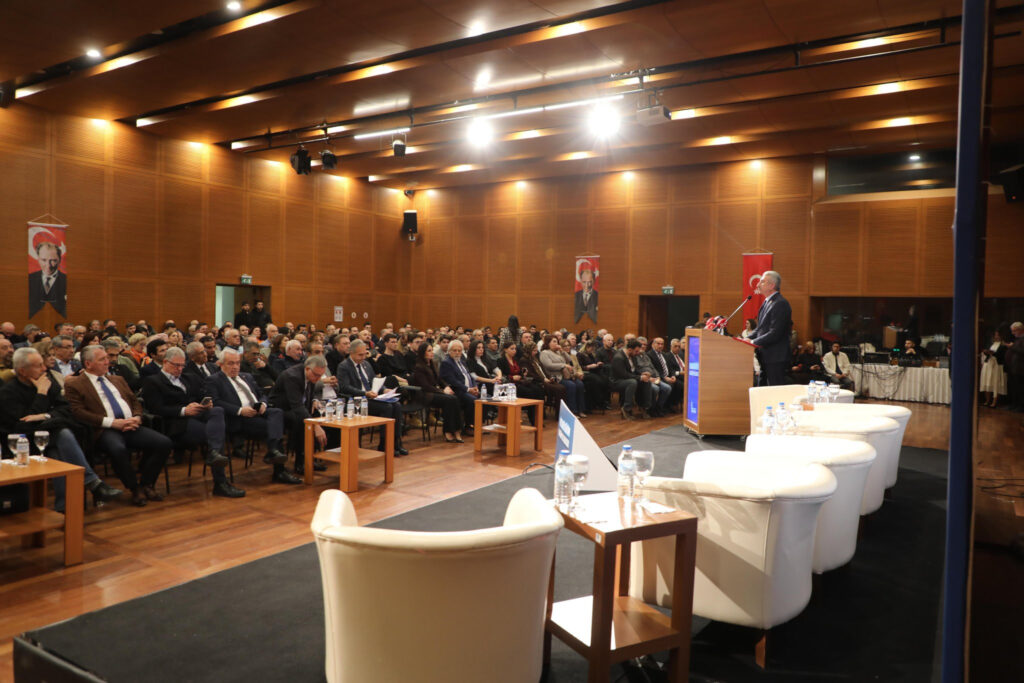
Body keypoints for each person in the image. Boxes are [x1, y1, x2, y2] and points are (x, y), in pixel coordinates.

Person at [0, 348, 123, 511]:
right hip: (21, 443)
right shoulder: (9, 392)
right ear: (22, 371)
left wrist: (44, 417)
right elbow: (23, 426)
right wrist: (42, 395)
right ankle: (92, 484)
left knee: (58, 451)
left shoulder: (47, 382)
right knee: (62, 435)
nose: (44, 369)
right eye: (38, 366)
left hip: (49, 439)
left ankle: (64, 506)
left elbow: (66, 410)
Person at [65, 345, 174, 507]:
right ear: (88, 364)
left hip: (130, 424)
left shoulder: (117, 379)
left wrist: (137, 417)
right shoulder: (76, 384)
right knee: (117, 449)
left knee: (163, 443)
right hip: (104, 429)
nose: (107, 362)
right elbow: (79, 413)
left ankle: (147, 483)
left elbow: (135, 401)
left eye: (107, 358)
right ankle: (134, 488)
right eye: (102, 359)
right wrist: (112, 423)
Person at [142, 347, 243, 498]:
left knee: (217, 411)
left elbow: (201, 395)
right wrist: (183, 410)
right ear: (165, 362)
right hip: (174, 423)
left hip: (196, 415)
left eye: (182, 365)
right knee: (215, 435)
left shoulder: (189, 378)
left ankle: (215, 457)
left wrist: (204, 404)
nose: (180, 369)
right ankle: (220, 482)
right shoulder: (153, 381)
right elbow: (155, 408)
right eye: (176, 365)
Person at [204, 349, 297, 484]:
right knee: (274, 428)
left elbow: (261, 393)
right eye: (230, 363)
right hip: (237, 418)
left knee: (276, 413)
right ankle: (277, 462)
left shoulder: (246, 376)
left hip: (256, 413)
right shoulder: (214, 380)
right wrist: (240, 410)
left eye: (237, 363)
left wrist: (263, 403)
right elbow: (216, 402)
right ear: (221, 364)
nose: (235, 367)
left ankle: (275, 457)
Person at [336, 340, 408, 455]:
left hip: (371, 397)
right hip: (357, 400)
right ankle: (384, 444)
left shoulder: (366, 364)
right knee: (387, 407)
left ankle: (396, 442)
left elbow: (375, 380)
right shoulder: (344, 366)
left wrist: (384, 389)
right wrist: (364, 393)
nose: (363, 357)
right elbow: (344, 387)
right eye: (360, 355)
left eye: (365, 354)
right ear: (352, 353)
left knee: (397, 405)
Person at [270, 355, 336, 475]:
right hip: (279, 410)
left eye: (321, 375)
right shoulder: (292, 376)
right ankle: (301, 463)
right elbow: (296, 406)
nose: (318, 378)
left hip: (296, 407)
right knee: (302, 421)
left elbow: (309, 396)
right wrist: (315, 425)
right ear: (307, 369)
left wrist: (314, 401)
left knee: (320, 414)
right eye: (316, 375)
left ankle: (310, 457)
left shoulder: (311, 376)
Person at [411, 343, 464, 442]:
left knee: (454, 398)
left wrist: (447, 387)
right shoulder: (419, 367)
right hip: (425, 395)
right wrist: (442, 391)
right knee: (449, 400)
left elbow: (440, 379)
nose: (432, 353)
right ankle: (448, 431)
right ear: (423, 353)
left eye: (432, 350)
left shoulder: (433, 363)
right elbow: (425, 386)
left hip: (435, 392)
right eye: (429, 351)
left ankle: (457, 430)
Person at [749, 270, 793, 386]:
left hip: (775, 357)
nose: (758, 284)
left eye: (762, 282)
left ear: (771, 285)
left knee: (775, 391)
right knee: (762, 389)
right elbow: (760, 329)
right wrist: (745, 339)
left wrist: (753, 341)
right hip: (765, 356)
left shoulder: (780, 303)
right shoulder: (767, 302)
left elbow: (775, 332)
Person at [438, 340, 481, 436]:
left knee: (485, 399)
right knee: (473, 401)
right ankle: (468, 427)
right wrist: (468, 389)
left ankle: (477, 425)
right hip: (458, 391)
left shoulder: (462, 361)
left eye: (459, 350)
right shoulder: (447, 363)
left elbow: (469, 376)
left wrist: (474, 386)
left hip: (469, 389)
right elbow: (453, 381)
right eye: (455, 350)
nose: (457, 353)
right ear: (449, 351)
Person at [539, 335, 586, 417]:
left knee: (580, 384)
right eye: (553, 341)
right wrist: (563, 365)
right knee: (571, 386)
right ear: (548, 343)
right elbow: (549, 365)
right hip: (556, 376)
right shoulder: (544, 353)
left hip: (567, 375)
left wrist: (563, 351)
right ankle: (572, 411)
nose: (556, 343)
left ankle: (580, 410)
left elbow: (569, 360)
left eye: (557, 341)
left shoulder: (558, 352)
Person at [611, 339, 650, 419]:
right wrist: (640, 377)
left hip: (629, 378)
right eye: (636, 351)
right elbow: (623, 374)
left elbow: (634, 370)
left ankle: (644, 407)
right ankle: (626, 408)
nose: (638, 353)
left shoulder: (633, 356)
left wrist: (642, 374)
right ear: (629, 349)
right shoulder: (619, 357)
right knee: (632, 382)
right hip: (617, 381)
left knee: (646, 381)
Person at [28, 241, 68, 317]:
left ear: (59, 260)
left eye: (53, 260)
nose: (48, 265)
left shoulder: (66, 280)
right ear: (38, 259)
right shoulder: (30, 279)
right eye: (44, 260)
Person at [980, 327, 1010, 408]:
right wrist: (986, 352)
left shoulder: (1003, 345)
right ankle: (987, 401)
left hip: (997, 365)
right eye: (995, 335)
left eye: (998, 335)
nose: (996, 337)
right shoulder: (990, 343)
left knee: (995, 383)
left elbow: (1002, 356)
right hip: (989, 364)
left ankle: (994, 402)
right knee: (987, 382)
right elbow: (987, 353)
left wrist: (993, 354)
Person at [1005, 322, 1024, 412]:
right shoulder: (1018, 339)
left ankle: (1021, 406)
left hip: (1020, 369)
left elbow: (1022, 351)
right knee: (1013, 388)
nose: (1013, 333)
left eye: (1014, 331)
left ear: (1020, 330)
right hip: (1013, 368)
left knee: (1020, 389)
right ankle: (1013, 404)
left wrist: (1012, 347)